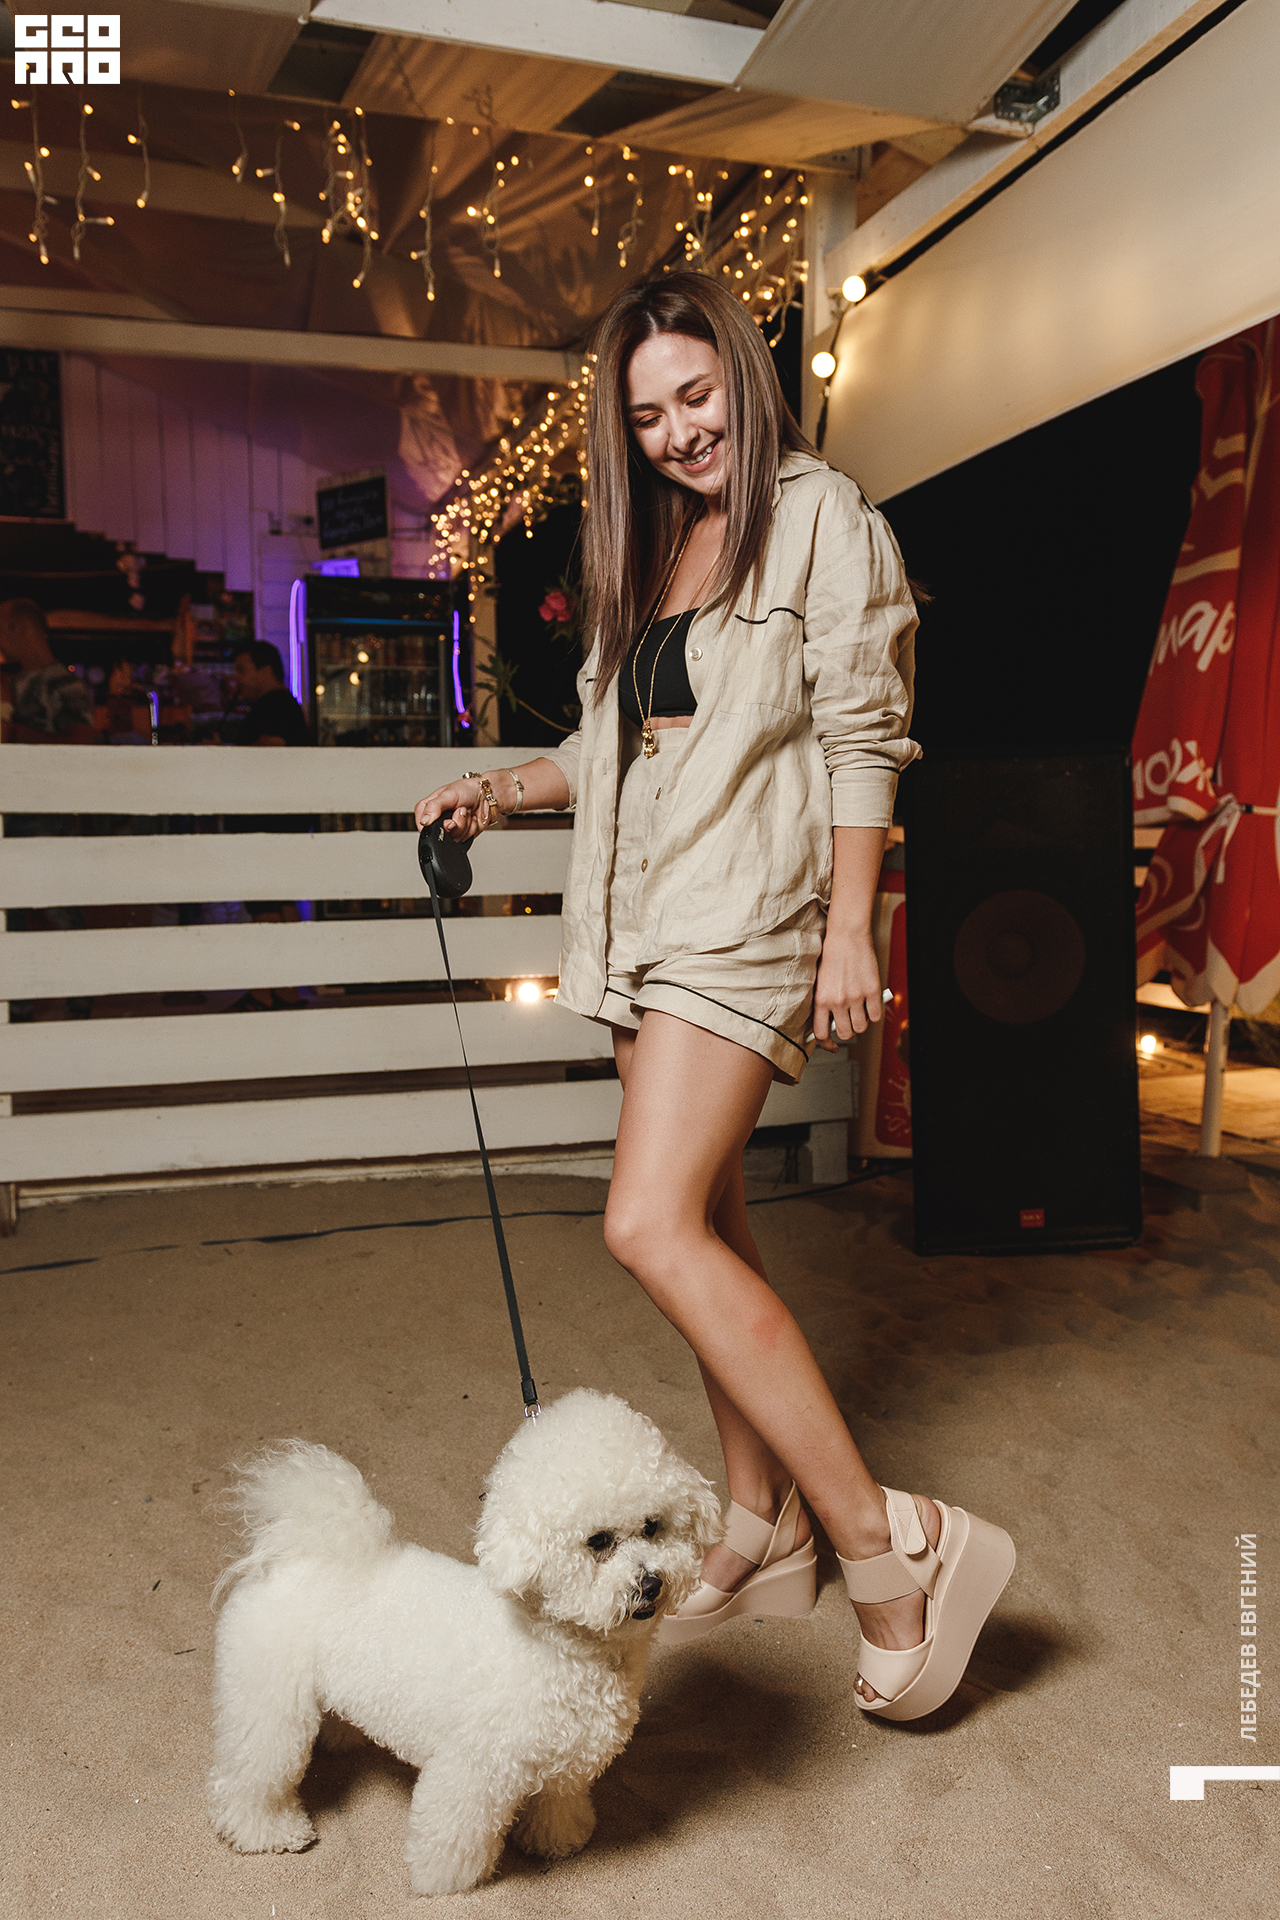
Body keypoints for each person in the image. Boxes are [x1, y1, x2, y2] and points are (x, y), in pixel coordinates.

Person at [414, 273, 1015, 1722]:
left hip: (746, 919)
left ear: (741, 376)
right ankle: (763, 1526)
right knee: (709, 1217)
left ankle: (890, 1541)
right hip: (643, 925)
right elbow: (617, 747)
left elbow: (866, 733)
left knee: (645, 1222)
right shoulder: (666, 544)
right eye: (648, 416)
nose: (681, 431)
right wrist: (501, 787)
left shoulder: (822, 516)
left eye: (697, 395)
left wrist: (851, 928)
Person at [0, 599, 95, 743]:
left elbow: (82, 741)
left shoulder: (64, 683)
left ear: (23, 627)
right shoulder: (9, 683)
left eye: (0, 630)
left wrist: (17, 732)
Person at [232, 641, 309, 746]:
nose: (236, 678)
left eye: (242, 670)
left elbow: (273, 745)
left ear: (266, 671)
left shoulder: (277, 705)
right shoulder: (279, 703)